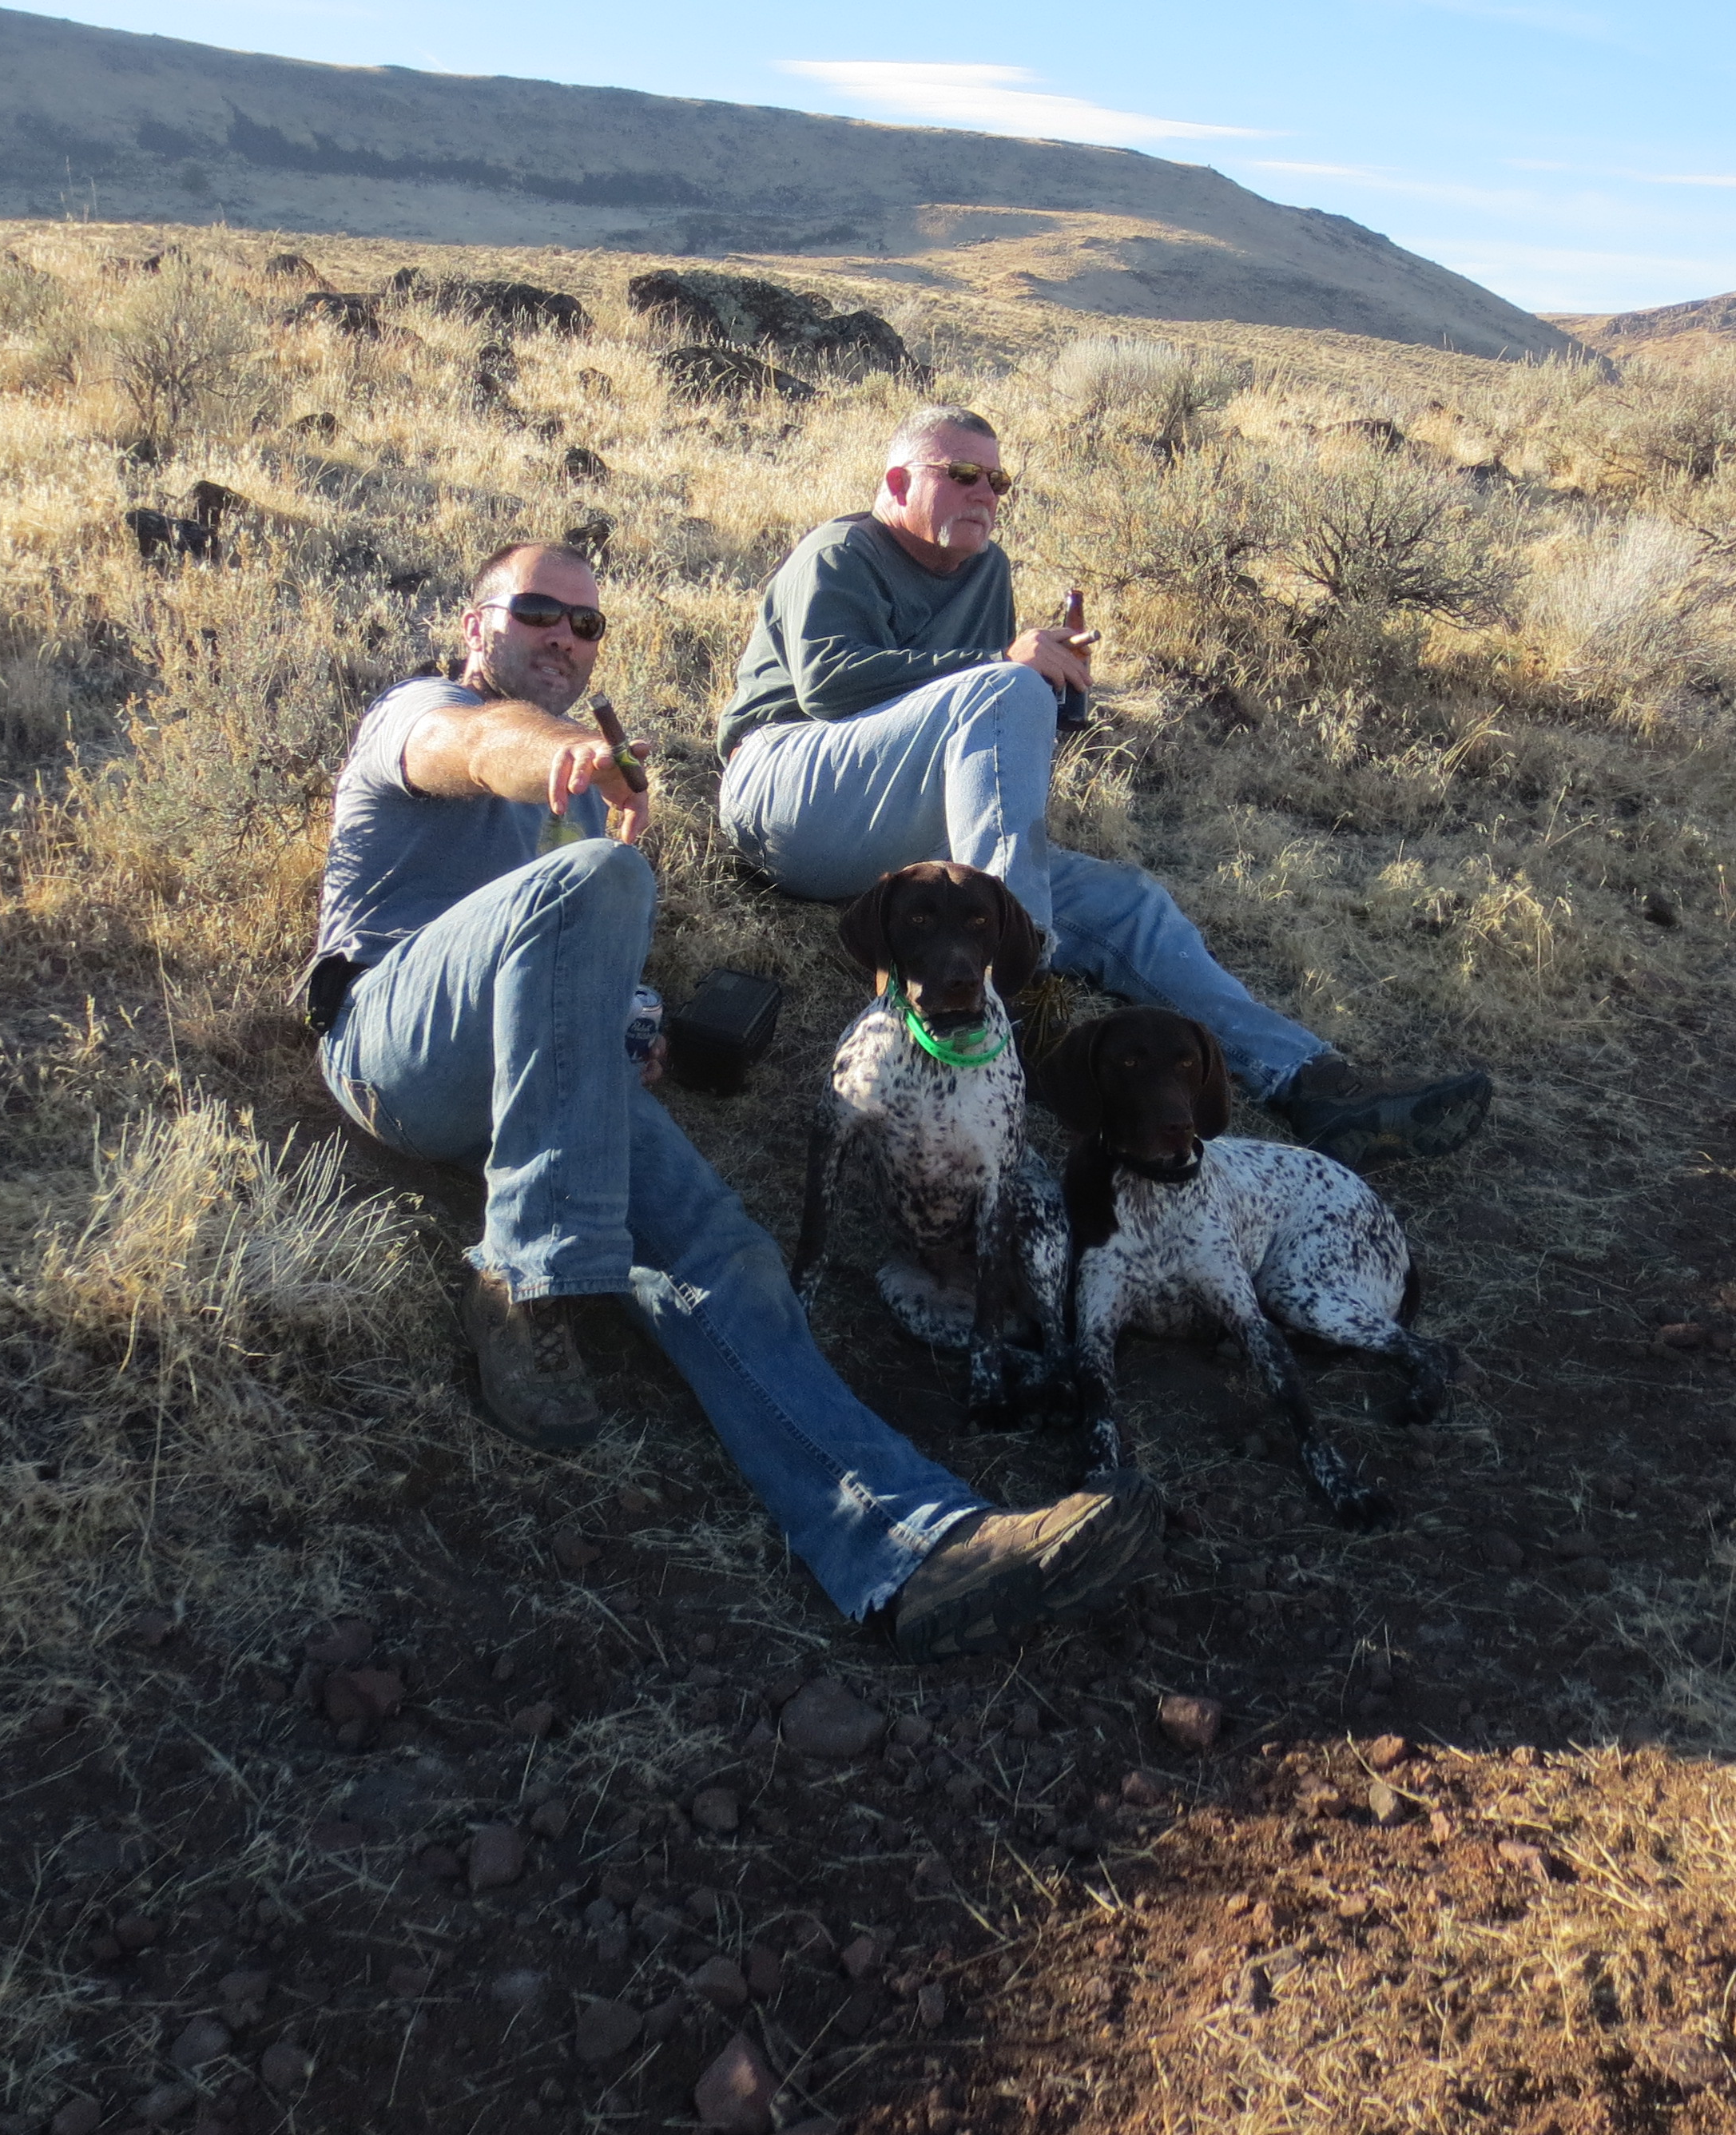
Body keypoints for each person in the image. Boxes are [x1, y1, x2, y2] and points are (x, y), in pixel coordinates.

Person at [310, 538, 1160, 1656]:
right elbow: (471, 745)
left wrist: (637, 1019)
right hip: (394, 1048)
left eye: (587, 626)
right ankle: (529, 1278)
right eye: (536, 614)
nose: (564, 638)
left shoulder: (570, 824)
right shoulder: (420, 715)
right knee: (603, 875)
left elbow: (588, 963)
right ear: (477, 626)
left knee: (730, 1257)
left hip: (543, 1077)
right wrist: (568, 754)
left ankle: (912, 1547)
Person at [716, 406, 1496, 1165]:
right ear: (897, 481)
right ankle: (1007, 994)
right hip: (787, 793)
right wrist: (1005, 675)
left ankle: (1314, 1082)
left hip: (898, 829)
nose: (986, 494)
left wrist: (1059, 689)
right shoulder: (841, 552)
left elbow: (975, 729)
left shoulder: (986, 570)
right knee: (1005, 687)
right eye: (961, 474)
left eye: (999, 480)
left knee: (1128, 902)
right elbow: (830, 687)